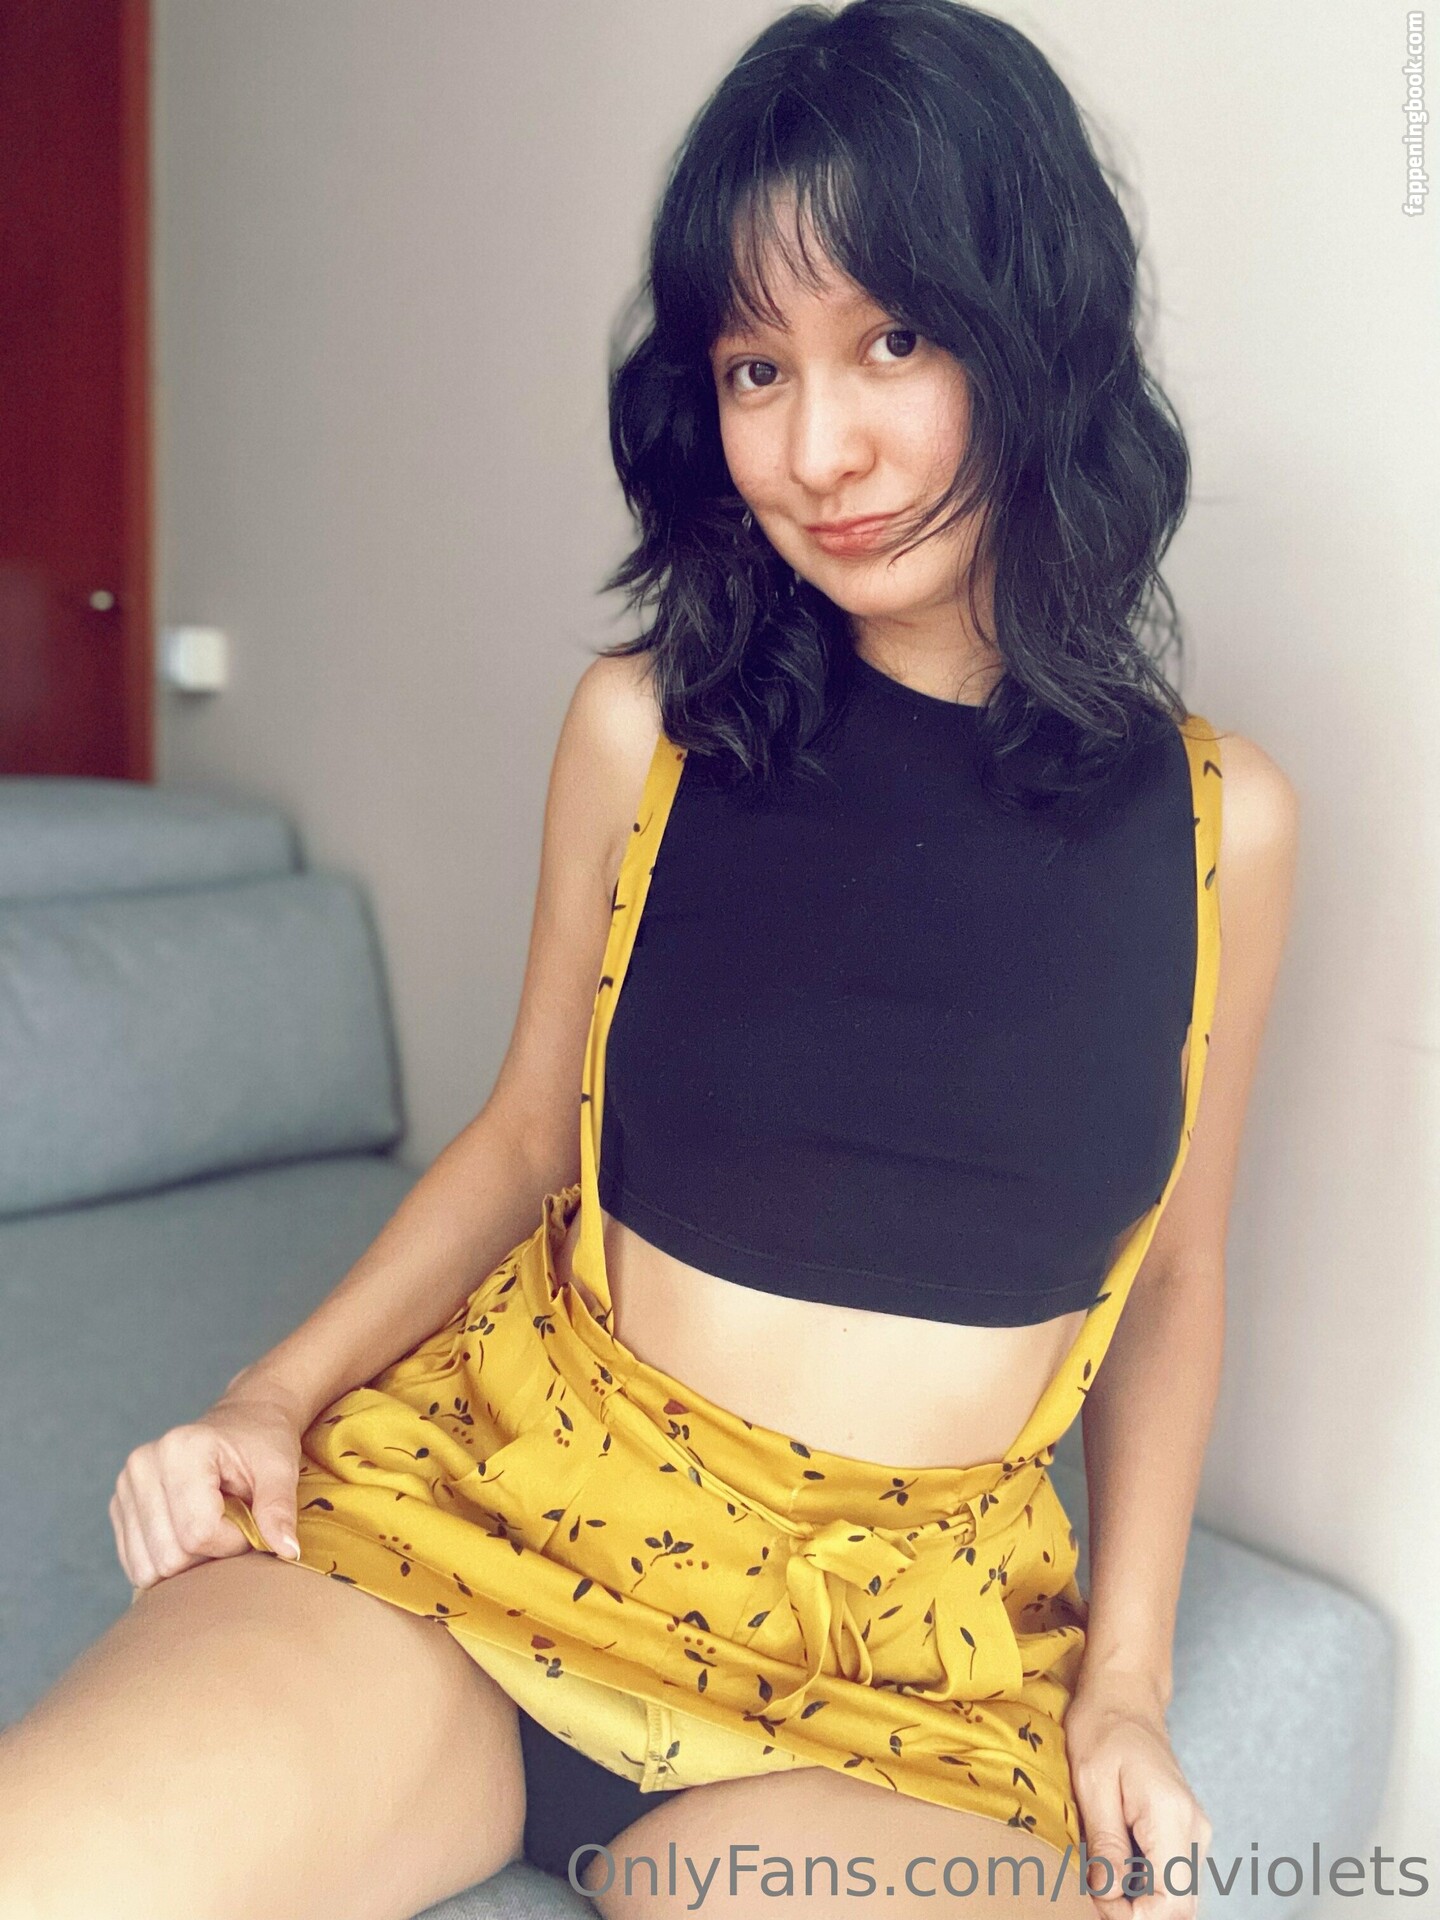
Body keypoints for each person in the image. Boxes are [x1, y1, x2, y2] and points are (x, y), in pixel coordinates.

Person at [0, 3, 1299, 1917]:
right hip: (484, 1529)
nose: (819, 449)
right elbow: (531, 1134)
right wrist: (268, 1398)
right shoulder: (647, 731)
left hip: (894, 1688)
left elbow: (1172, 1273)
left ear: (1038, 337)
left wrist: (1126, 1688)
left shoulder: (1218, 826)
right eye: (756, 368)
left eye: (895, 340)